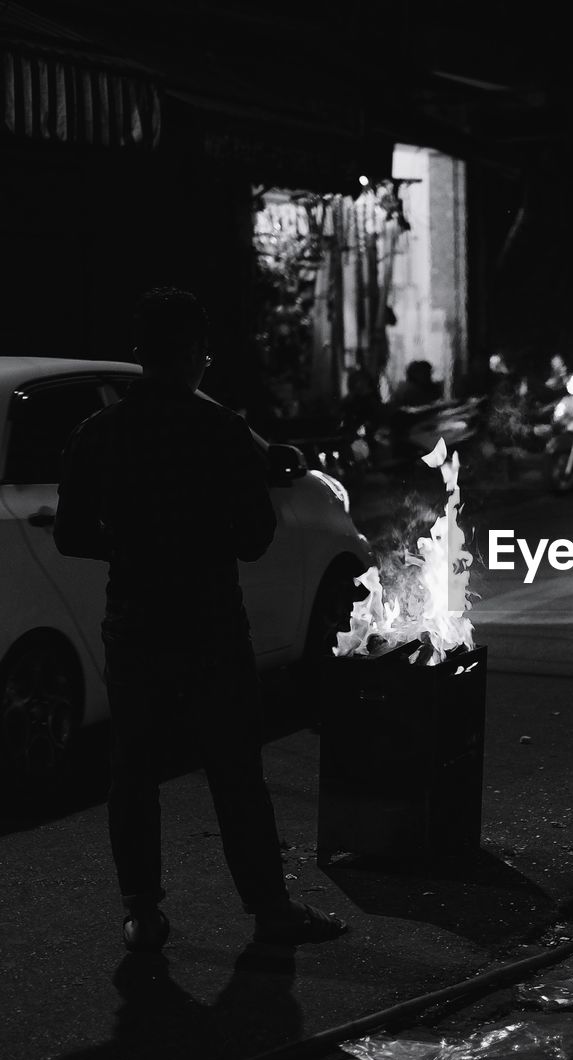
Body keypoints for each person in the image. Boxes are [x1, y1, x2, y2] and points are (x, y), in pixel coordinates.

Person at [54, 287, 348, 952]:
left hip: (133, 620)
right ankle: (270, 909)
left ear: (139, 354)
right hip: (210, 621)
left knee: (133, 767)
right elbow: (253, 535)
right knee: (234, 767)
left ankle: (141, 913)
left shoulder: (99, 433)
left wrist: (130, 543)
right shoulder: (220, 431)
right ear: (193, 356)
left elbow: (71, 534)